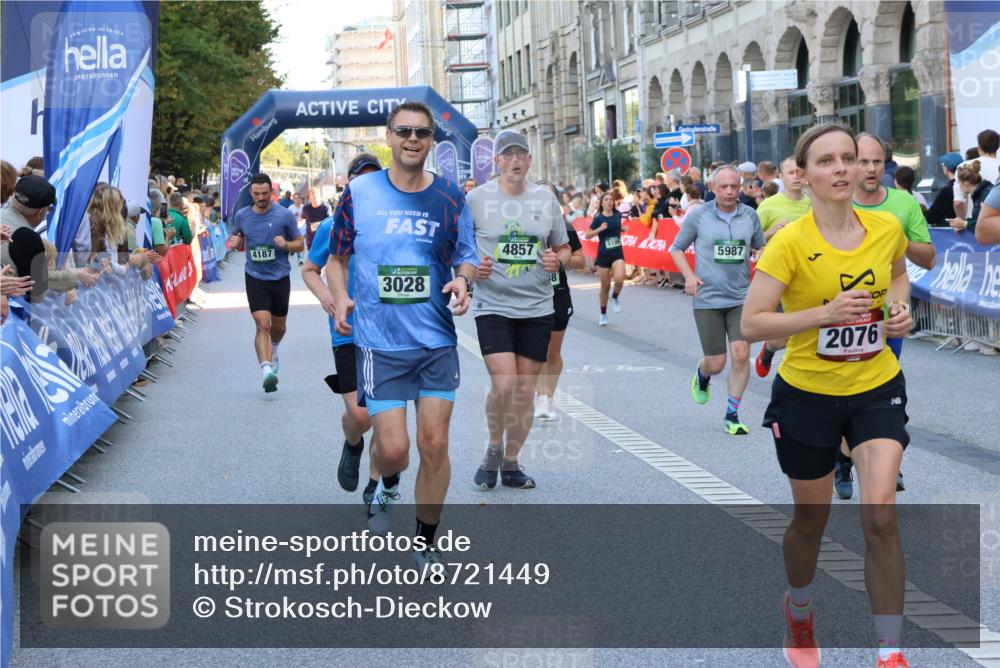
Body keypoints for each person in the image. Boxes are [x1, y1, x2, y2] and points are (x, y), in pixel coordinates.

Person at [741, 122, 914, 668]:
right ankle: (799, 610)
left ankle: (889, 652)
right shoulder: (789, 242)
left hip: (875, 385)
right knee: (810, 521)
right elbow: (751, 323)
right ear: (804, 175)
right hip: (807, 393)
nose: (842, 168)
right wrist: (823, 315)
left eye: (851, 158)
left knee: (880, 513)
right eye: (827, 161)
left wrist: (899, 313)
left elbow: (898, 275)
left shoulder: (886, 227)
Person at [328, 101, 478, 575]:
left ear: (432, 141)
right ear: (389, 137)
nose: (413, 139)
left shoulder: (451, 197)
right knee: (394, 450)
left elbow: (467, 256)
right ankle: (379, 471)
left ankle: (426, 541)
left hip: (435, 341)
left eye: (422, 133)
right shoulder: (359, 192)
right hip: (380, 343)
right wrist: (340, 298)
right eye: (404, 131)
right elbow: (335, 258)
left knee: (434, 445)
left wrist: (464, 280)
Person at [467, 132, 571, 490]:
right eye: (507, 154)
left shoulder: (545, 201)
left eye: (521, 155)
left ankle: (511, 463)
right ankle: (494, 447)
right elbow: (459, 249)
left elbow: (564, 247)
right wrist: (470, 267)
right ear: (496, 162)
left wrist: (557, 261)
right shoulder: (476, 200)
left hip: (537, 306)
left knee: (525, 391)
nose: (514, 160)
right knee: (505, 383)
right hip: (492, 304)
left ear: (529, 161)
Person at [302, 153, 385, 503]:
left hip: (387, 330)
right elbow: (310, 269)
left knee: (384, 410)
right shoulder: (330, 225)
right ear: (348, 184)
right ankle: (353, 443)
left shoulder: (390, 224)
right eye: (359, 179)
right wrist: (327, 297)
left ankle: (376, 483)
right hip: (347, 329)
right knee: (360, 414)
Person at [669, 165, 764, 435]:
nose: (730, 191)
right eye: (724, 187)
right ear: (713, 188)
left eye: (735, 186)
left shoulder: (750, 215)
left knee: (741, 354)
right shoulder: (698, 216)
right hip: (707, 297)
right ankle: (703, 373)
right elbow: (676, 248)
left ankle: (732, 414)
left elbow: (760, 245)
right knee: (717, 362)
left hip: (741, 297)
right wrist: (688, 276)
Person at [228, 173, 304, 393]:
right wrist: (235, 242)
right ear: (251, 193)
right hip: (255, 277)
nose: (260, 197)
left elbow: (300, 245)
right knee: (263, 324)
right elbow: (236, 239)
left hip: (280, 277)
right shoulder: (242, 216)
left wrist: (286, 245)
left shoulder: (284, 216)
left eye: (264, 193)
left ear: (272, 192)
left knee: (278, 327)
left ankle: (274, 348)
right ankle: (267, 371)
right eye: (256, 194)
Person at [753, 157, 813, 377]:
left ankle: (801, 375)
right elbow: (751, 239)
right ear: (780, 177)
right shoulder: (769, 205)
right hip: (778, 276)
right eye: (791, 173)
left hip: (810, 274)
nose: (796, 176)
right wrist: (771, 232)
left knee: (810, 328)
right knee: (783, 335)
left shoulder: (814, 203)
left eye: (799, 172)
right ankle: (769, 349)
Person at [535, 180, 585, 420]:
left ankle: (548, 397)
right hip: (530, 294)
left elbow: (581, 260)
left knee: (552, 352)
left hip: (558, 293)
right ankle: (541, 397)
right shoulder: (523, 226)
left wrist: (560, 259)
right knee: (537, 349)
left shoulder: (565, 226)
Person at [585, 191, 626, 326]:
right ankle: (603, 314)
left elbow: (616, 227)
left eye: (611, 200)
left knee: (620, 278)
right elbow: (587, 235)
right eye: (606, 200)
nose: (609, 202)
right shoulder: (598, 218)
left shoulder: (618, 215)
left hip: (617, 252)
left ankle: (615, 297)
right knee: (605, 286)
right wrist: (599, 229)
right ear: (602, 203)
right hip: (603, 254)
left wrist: (622, 228)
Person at [954, 129, 999, 219]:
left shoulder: (964, 166)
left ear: (979, 148)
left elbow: (958, 202)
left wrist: (962, 222)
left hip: (973, 223)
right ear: (997, 147)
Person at [949, 160, 994, 235]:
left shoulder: (985, 195)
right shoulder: (981, 194)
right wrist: (964, 224)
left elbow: (989, 223)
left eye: (959, 183)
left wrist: (965, 224)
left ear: (965, 183)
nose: (959, 187)